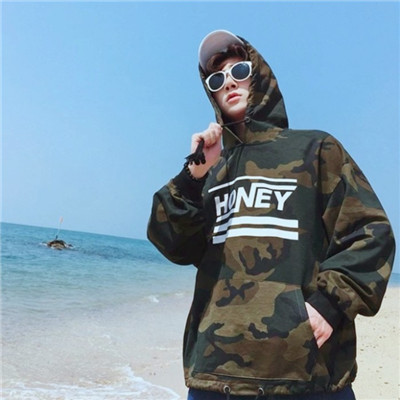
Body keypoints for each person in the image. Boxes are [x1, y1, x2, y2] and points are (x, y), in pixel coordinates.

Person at [147, 30, 395, 400]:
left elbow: (370, 232)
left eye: (239, 70)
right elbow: (174, 243)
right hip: (214, 376)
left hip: (305, 375)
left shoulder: (316, 149)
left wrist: (330, 304)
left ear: (259, 74)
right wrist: (193, 174)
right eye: (216, 79)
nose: (229, 82)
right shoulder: (212, 172)